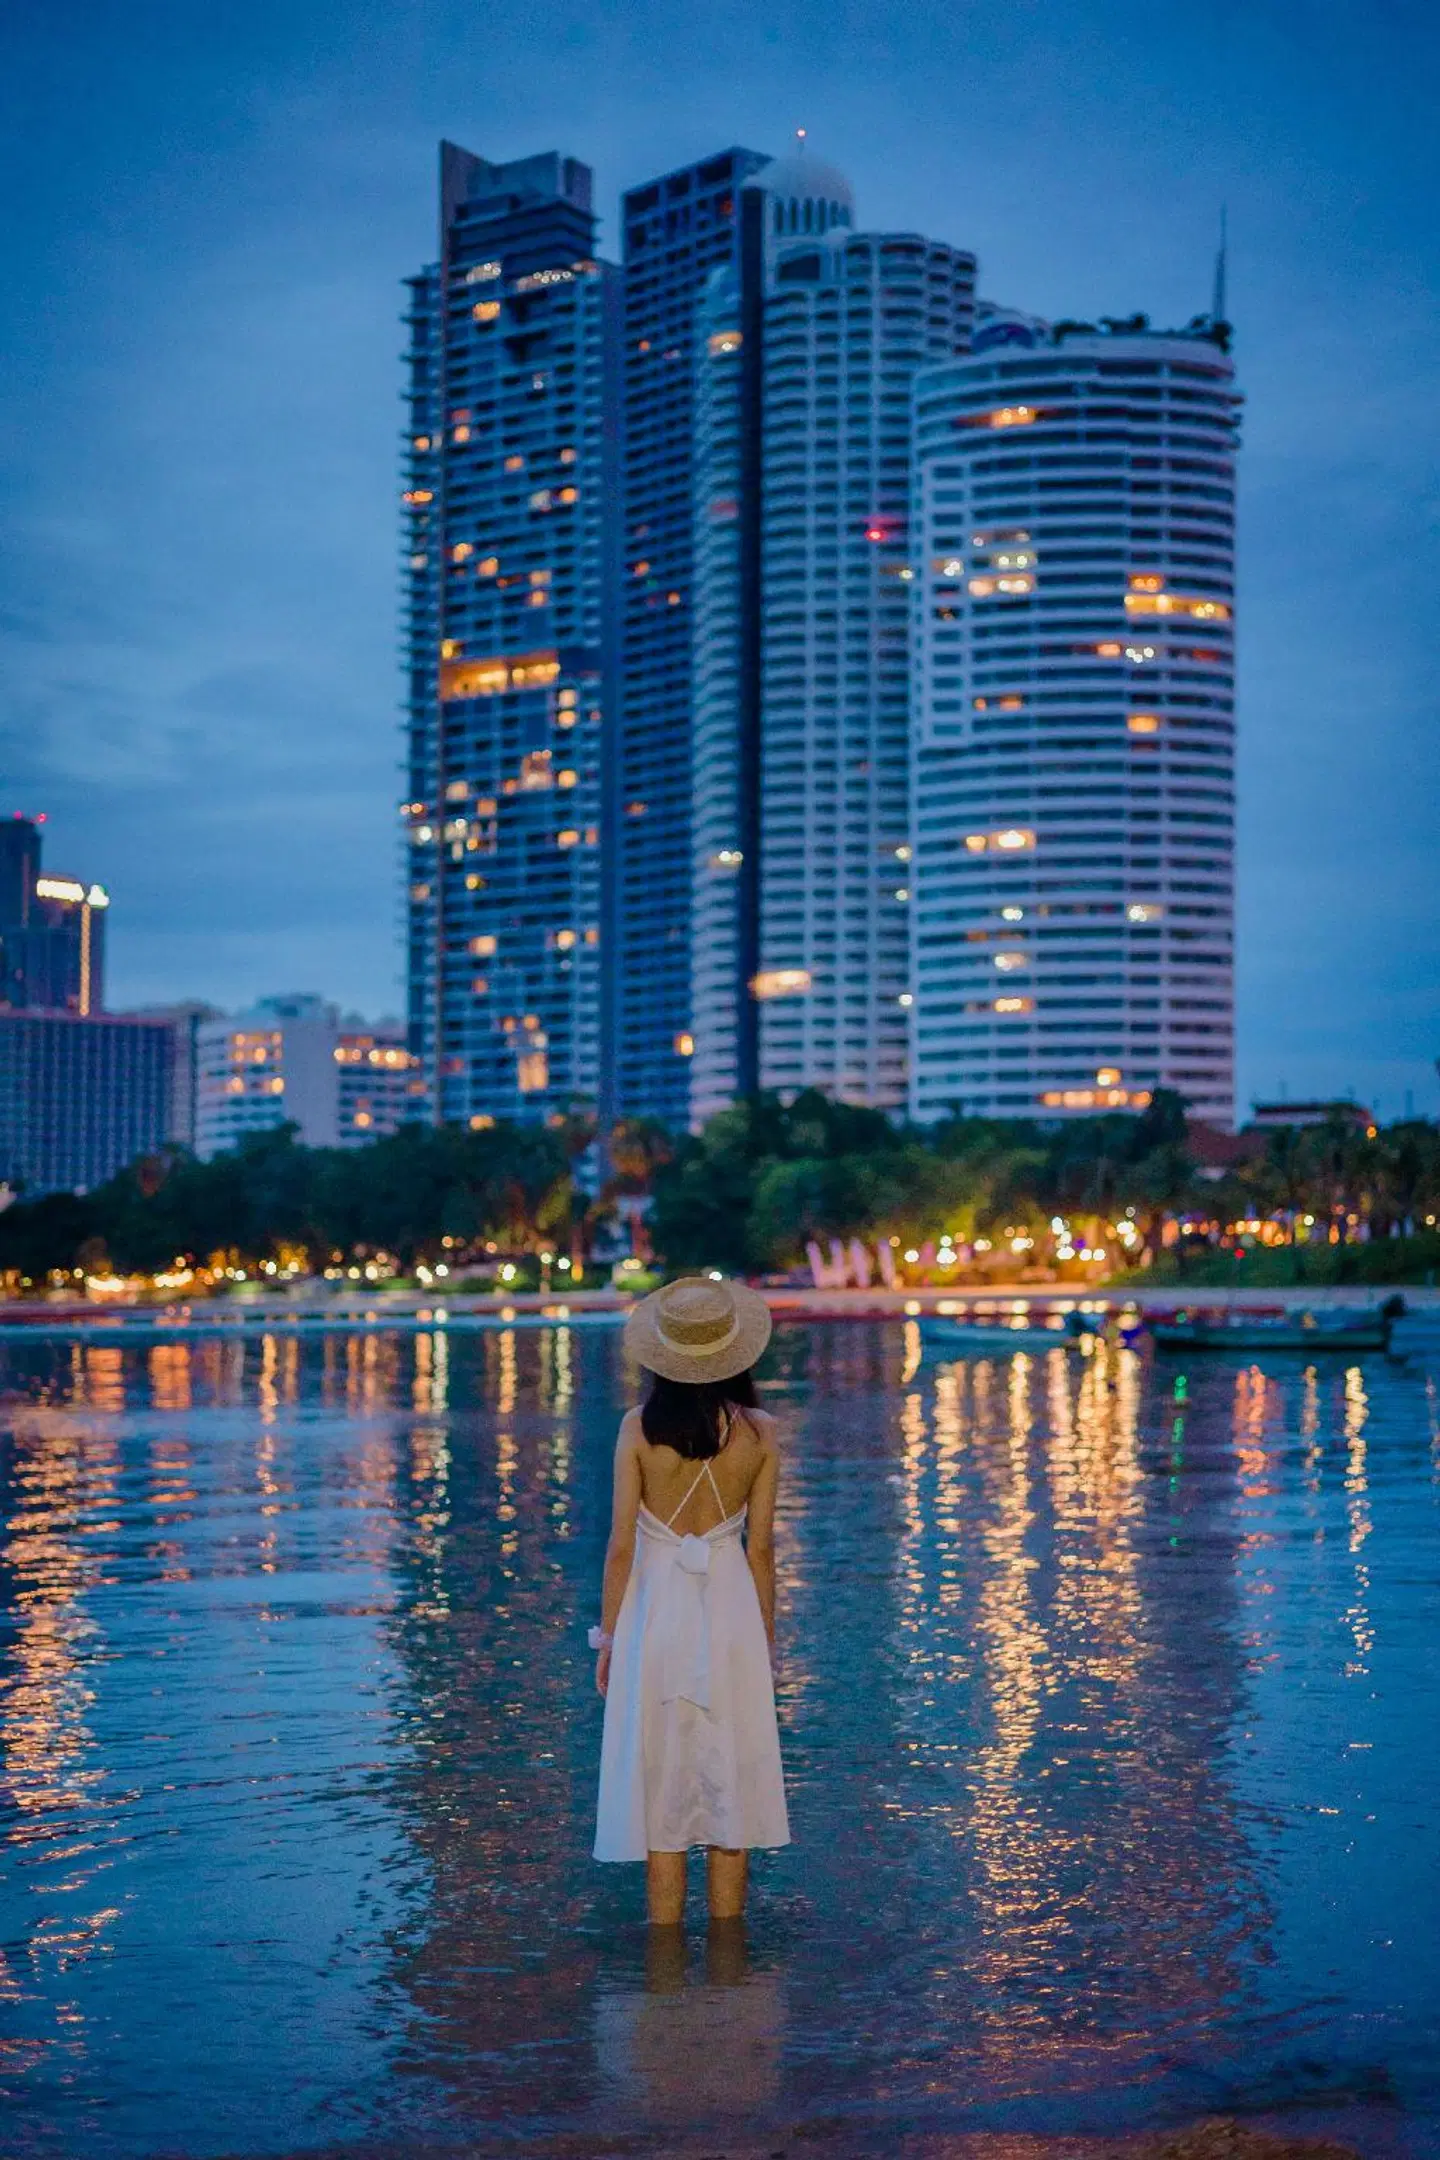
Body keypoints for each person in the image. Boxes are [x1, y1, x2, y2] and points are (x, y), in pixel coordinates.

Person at [590, 1274, 791, 1924]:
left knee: (663, 1796)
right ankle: (730, 1962)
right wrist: (766, 1645)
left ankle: (665, 1964)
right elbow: (762, 1550)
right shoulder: (761, 1434)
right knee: (732, 1790)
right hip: (731, 1619)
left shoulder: (637, 1430)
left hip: (655, 1617)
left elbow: (620, 1546)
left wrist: (608, 1640)